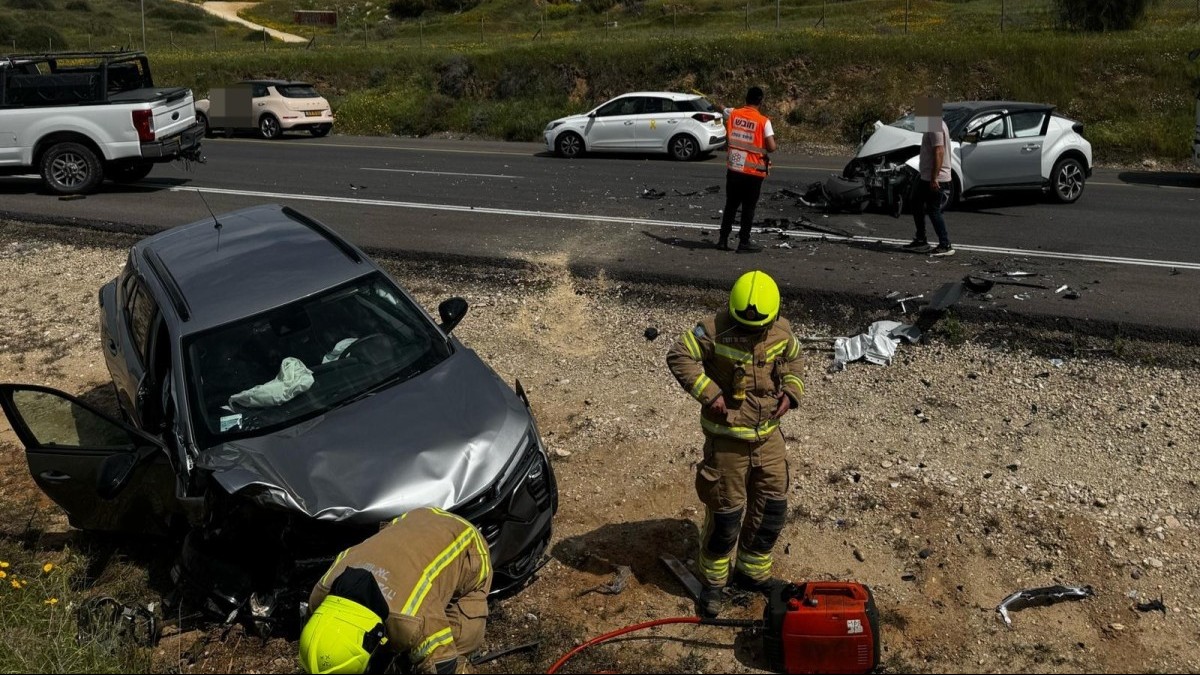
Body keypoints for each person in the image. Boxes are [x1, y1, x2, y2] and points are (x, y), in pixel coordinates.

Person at [665, 270, 804, 617]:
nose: (750, 332)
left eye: (758, 327)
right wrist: (709, 393)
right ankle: (714, 582)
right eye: (743, 325)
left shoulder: (782, 330)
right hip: (727, 441)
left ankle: (752, 574)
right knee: (725, 515)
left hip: (768, 438)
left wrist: (791, 390)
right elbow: (679, 355)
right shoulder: (712, 329)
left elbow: (795, 358)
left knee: (771, 508)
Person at [298, 507, 492, 674]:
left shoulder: (413, 621)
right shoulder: (321, 594)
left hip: (465, 540)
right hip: (413, 518)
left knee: (460, 639)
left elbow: (443, 665)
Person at [718, 87, 778, 253]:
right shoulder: (763, 121)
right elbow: (771, 147)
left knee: (731, 205)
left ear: (746, 98)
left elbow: (723, 109)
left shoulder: (733, 114)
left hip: (735, 168)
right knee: (748, 208)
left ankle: (722, 240)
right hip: (753, 172)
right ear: (761, 101)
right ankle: (744, 242)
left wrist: (720, 104)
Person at [904, 96, 954, 256]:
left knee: (933, 209)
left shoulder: (935, 126)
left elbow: (939, 151)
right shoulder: (935, 124)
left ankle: (945, 245)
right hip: (926, 175)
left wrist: (934, 177)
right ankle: (921, 239)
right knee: (915, 202)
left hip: (934, 177)